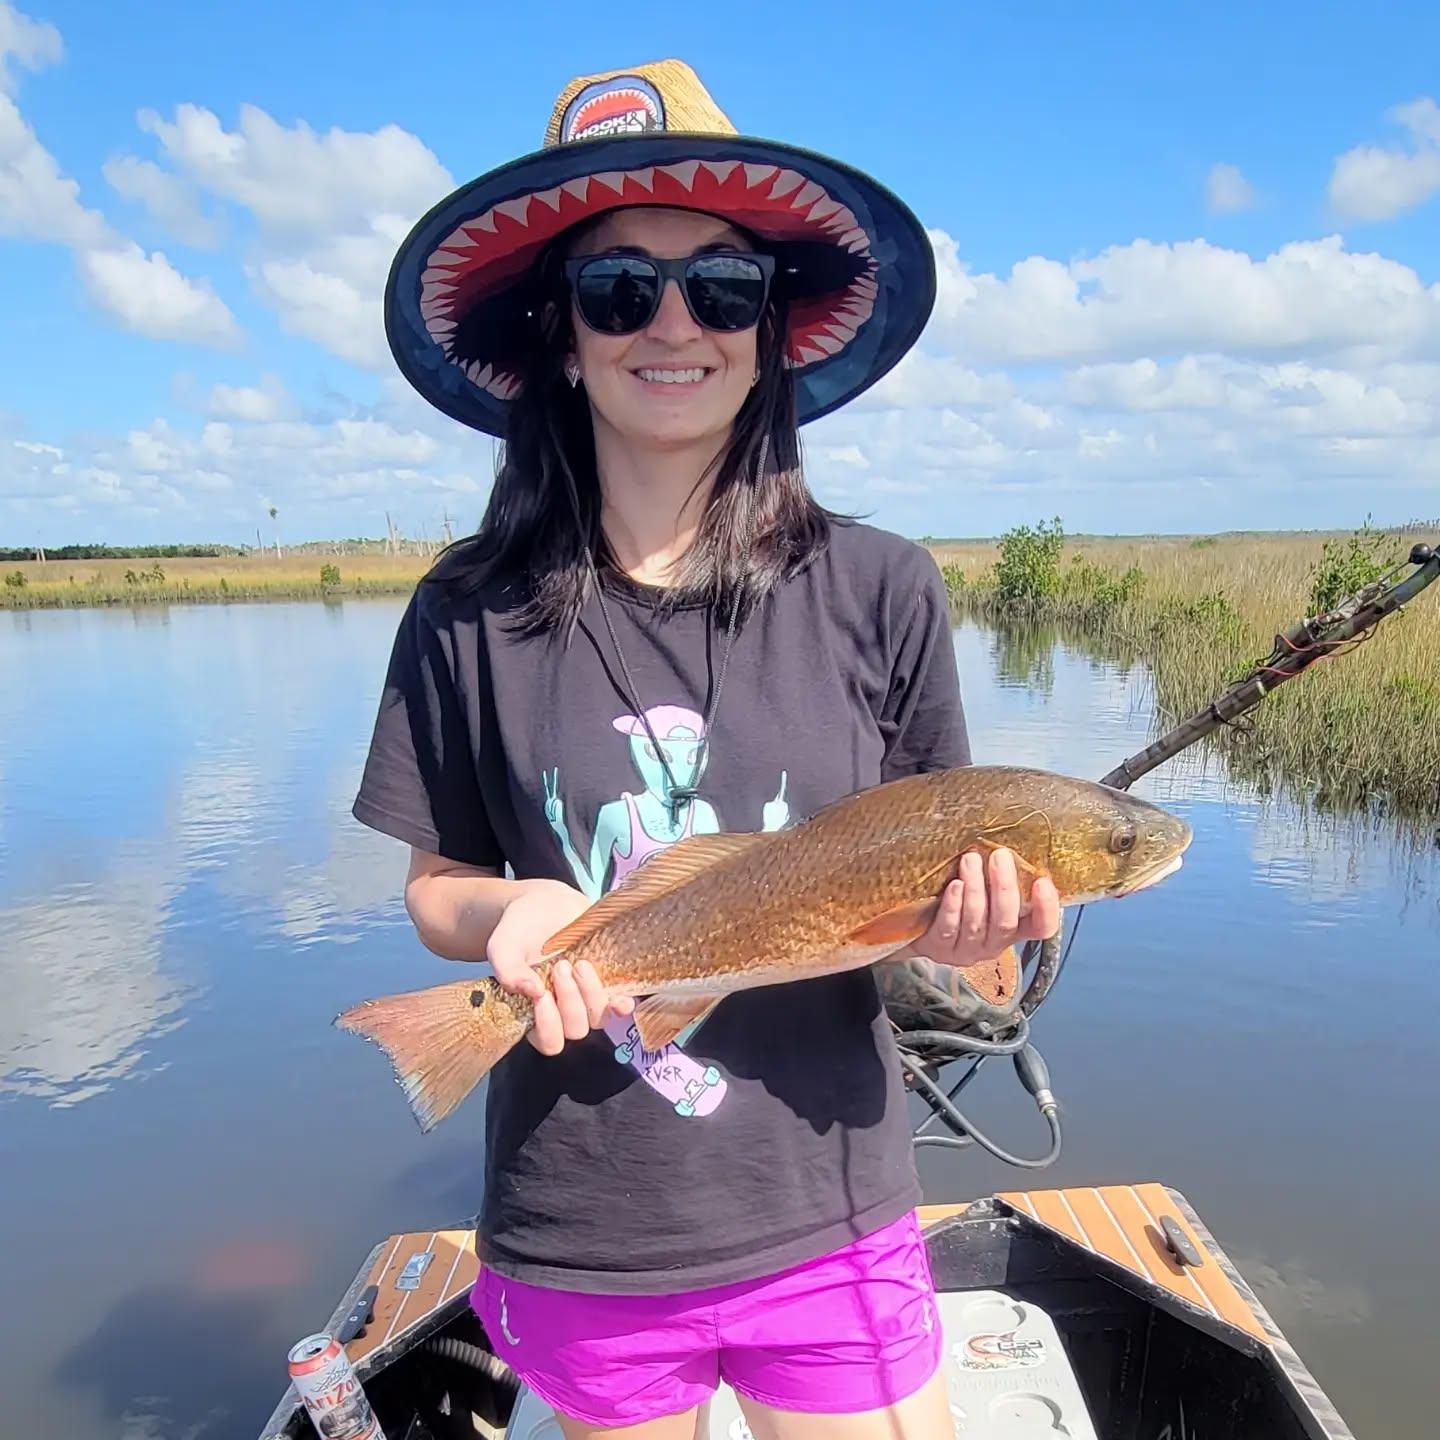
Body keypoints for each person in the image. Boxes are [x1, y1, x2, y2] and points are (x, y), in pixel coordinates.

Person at [352, 59, 1060, 1440]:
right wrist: (513, 913)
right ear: (561, 331)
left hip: (832, 1203)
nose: (672, 325)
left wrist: (986, 934)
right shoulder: (465, 610)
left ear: (771, 327)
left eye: (722, 288)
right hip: (584, 1221)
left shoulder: (883, 586)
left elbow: (943, 921)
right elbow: (437, 888)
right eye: (621, 289)